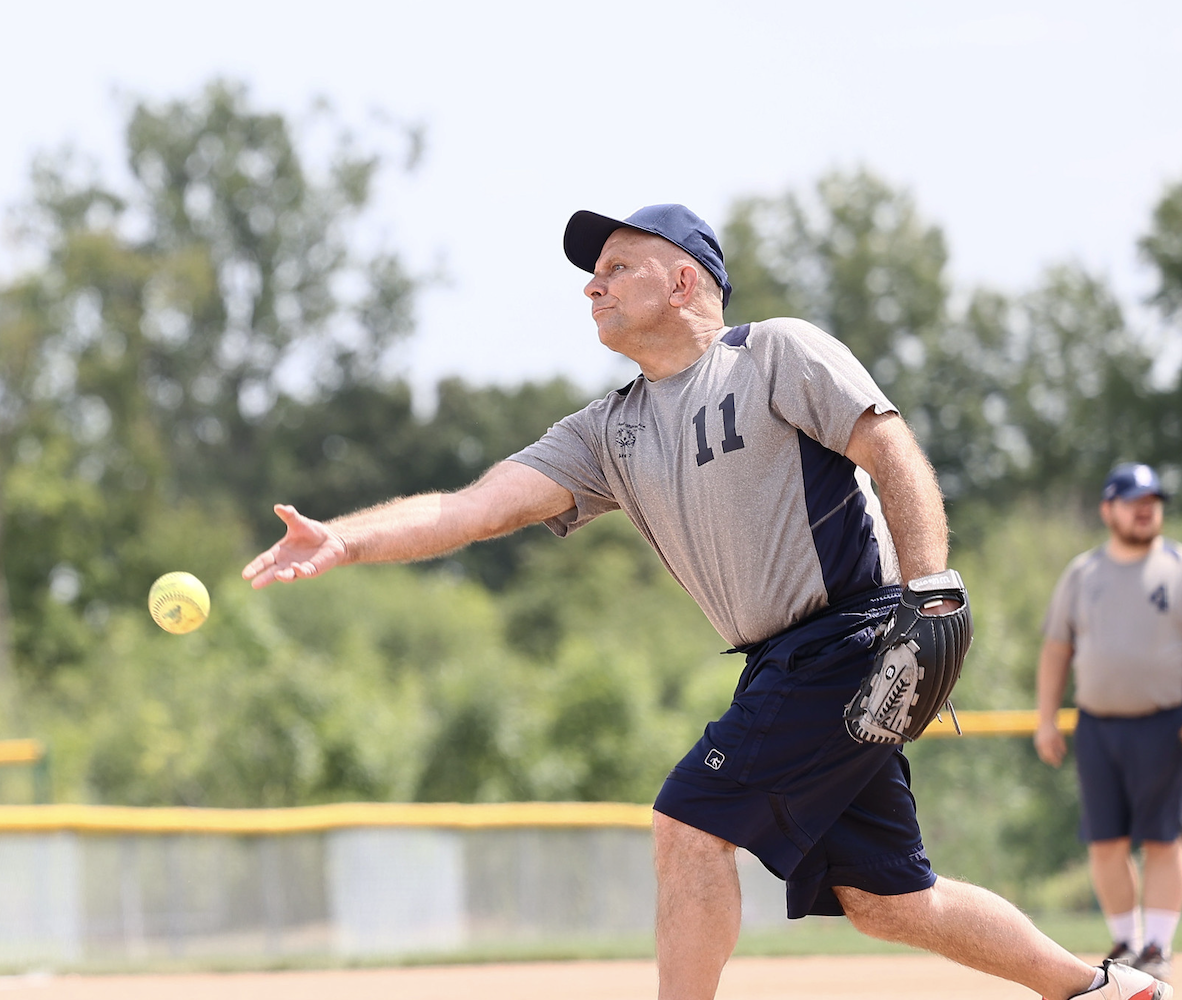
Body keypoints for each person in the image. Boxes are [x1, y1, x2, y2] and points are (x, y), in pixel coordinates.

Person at [241, 203, 1169, 1000]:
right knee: (890, 901)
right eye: (592, 275)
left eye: (616, 267)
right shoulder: (609, 429)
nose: (592, 287)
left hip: (854, 639)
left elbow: (890, 450)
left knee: (688, 825)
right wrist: (347, 539)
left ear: (684, 281)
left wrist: (930, 592)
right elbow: (472, 509)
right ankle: (1097, 986)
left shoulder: (772, 353)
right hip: (787, 663)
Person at [1036, 462, 1182, 982]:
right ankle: (1127, 941)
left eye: (1153, 500)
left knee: (1163, 839)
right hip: (1098, 724)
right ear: (1108, 509)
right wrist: (1046, 718)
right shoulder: (1083, 573)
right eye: (1133, 499)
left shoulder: (1176, 567)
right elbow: (1057, 648)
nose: (1146, 508)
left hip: (1165, 722)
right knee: (1106, 841)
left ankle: (1159, 947)